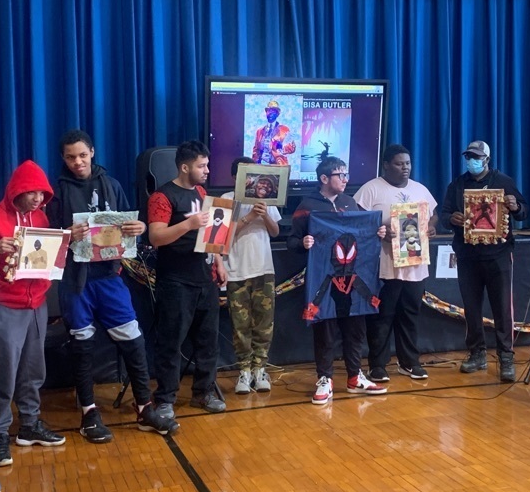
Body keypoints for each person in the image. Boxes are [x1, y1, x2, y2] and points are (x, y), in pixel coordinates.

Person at [48, 129, 178, 443]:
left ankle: (145, 406)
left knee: (133, 339)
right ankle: (89, 412)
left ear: (92, 152)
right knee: (82, 345)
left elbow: (130, 229)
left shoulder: (112, 184)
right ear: (63, 159)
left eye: (82, 155)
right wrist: (67, 235)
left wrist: (141, 226)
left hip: (108, 277)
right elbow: (47, 240)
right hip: (75, 282)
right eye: (70, 157)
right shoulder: (57, 192)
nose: (77, 162)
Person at [0, 160, 65, 468]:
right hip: (5, 306)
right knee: (4, 373)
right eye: (32, 192)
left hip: (36, 304)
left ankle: (30, 424)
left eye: (42, 192)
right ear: (17, 190)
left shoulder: (40, 217)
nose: (38, 198)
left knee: (33, 370)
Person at [287, 156, 387, 404]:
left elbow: (365, 232)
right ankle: (325, 379)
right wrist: (303, 242)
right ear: (324, 178)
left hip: (354, 280)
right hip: (324, 278)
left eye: (346, 175)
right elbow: (291, 241)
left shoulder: (350, 202)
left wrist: (378, 232)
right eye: (340, 175)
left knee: (355, 329)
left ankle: (355, 377)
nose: (345, 179)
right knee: (325, 330)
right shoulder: (307, 205)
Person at [148, 141, 227, 417]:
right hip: (176, 280)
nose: (207, 170)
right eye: (201, 166)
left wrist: (218, 260)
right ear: (185, 167)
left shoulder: (202, 192)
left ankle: (203, 393)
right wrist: (188, 224)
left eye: (207, 164)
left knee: (208, 341)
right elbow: (156, 237)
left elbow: (210, 235)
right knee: (171, 341)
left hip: (204, 277)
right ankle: (166, 398)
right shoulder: (163, 196)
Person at [440, 140, 527, 382]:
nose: (472, 161)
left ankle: (506, 356)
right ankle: (477, 353)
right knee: (471, 307)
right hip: (468, 255)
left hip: (498, 255)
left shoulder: (503, 182)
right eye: (469, 156)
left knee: (502, 307)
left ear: (487, 160)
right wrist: (453, 219)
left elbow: (524, 211)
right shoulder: (457, 185)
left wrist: (515, 205)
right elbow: (444, 215)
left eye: (477, 157)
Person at [354, 144, 438, 382]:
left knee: (410, 314)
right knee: (382, 316)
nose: (405, 168)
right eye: (400, 164)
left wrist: (431, 227)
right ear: (386, 165)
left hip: (415, 266)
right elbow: (358, 222)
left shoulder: (420, 189)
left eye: (408, 164)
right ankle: (378, 365)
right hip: (385, 265)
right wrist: (380, 231)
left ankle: (409, 362)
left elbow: (434, 213)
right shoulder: (371, 190)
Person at [223, 157, 281, 394]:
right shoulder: (226, 200)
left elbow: (275, 231)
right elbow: (221, 237)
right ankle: (244, 371)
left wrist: (264, 214)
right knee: (240, 325)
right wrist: (247, 218)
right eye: (243, 174)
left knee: (264, 323)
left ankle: (260, 369)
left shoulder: (265, 200)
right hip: (236, 271)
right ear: (234, 177)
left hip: (264, 269)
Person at [252, 100, 296, 165]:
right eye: (268, 111)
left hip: (278, 166)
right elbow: (256, 150)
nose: (270, 113)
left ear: (277, 114)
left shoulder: (284, 130)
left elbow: (291, 148)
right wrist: (253, 165)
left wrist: (280, 147)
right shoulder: (260, 131)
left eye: (273, 111)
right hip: (261, 166)